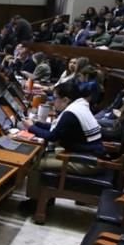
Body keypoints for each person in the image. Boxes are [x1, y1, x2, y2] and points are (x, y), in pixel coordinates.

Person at [20, 80, 104, 213]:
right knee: (46, 154)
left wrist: (31, 128)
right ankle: (45, 199)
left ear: (65, 99)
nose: (53, 102)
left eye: (55, 98)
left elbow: (53, 136)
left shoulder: (71, 113)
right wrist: (36, 124)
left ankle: (35, 203)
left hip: (88, 162)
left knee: (37, 164)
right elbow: (58, 129)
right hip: (90, 156)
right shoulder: (78, 106)